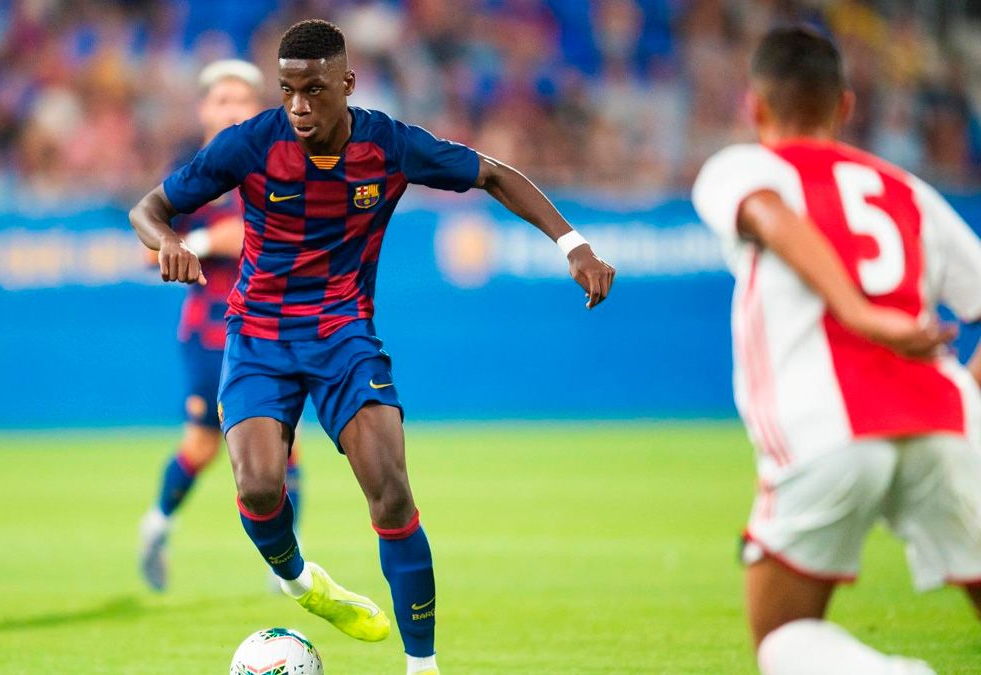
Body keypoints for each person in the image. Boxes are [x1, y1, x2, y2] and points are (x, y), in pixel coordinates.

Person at [129, 19, 614, 675]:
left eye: (314, 90)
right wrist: (169, 242)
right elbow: (149, 208)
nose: (299, 106)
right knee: (261, 486)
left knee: (390, 492)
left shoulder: (388, 144)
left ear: (348, 83)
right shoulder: (250, 144)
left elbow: (494, 175)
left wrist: (573, 244)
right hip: (260, 336)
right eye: (287, 91)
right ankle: (302, 583)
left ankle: (423, 666)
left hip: (343, 335)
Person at [692, 26, 981, 675]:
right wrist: (966, 394)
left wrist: (856, 312)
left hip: (826, 430)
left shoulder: (743, 167)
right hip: (945, 424)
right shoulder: (906, 187)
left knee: (784, 637)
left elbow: (766, 212)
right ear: (845, 106)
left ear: (754, 106)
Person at [137, 60, 303, 593]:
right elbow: (148, 254)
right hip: (213, 333)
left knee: (287, 445)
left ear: (259, 109)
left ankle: (284, 566)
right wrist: (208, 242)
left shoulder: (282, 168)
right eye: (222, 99)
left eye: (241, 100)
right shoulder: (190, 178)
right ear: (204, 110)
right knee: (205, 445)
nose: (232, 109)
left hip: (276, 328)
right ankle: (158, 524)